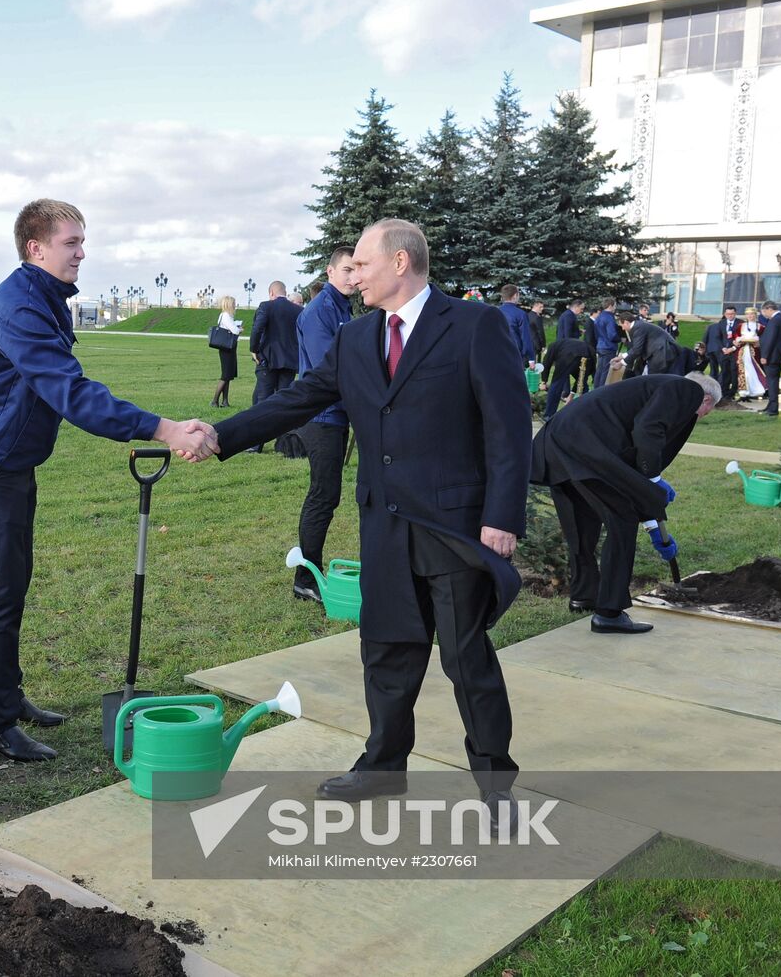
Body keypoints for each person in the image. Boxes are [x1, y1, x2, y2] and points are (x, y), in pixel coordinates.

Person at [184, 219, 531, 829]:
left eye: (362, 265)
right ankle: (382, 766)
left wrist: (503, 516)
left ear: (400, 263)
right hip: (384, 523)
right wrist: (220, 435)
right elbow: (297, 400)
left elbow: (508, 427)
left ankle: (496, 782)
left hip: (454, 524)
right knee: (387, 651)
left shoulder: (476, 326)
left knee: (466, 657)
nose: (353, 275)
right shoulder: (356, 338)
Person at [0, 198, 209, 762]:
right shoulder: (22, 309)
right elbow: (71, 393)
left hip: (8, 461)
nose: (82, 253)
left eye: (82, 242)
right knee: (1, 586)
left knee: (14, 579)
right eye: (72, 243)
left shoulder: (43, 298)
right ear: (35, 248)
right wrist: (163, 428)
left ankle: (7, 696)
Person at [531, 373, 720, 634]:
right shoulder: (687, 390)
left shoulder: (651, 390)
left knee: (582, 521)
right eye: (707, 412)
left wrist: (654, 525)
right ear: (707, 399)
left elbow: (632, 471)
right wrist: (653, 480)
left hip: (558, 443)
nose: (700, 417)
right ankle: (608, 613)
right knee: (621, 520)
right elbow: (648, 430)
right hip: (585, 446)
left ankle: (584, 595)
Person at [292, 246, 356, 604]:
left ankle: (308, 573)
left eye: (357, 269)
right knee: (323, 495)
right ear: (330, 272)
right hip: (322, 416)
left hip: (337, 414)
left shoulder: (342, 307)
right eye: (346, 269)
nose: (353, 276)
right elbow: (326, 371)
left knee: (327, 495)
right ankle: (306, 577)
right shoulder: (320, 311)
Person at [247, 280, 302, 452]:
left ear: (271, 292)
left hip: (268, 360)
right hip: (290, 361)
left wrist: (254, 350)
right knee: (284, 401)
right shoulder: (298, 310)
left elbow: (257, 330)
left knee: (263, 401)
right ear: (285, 293)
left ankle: (256, 444)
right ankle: (283, 444)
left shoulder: (266, 306)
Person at [542, 332, 594, 419]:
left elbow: (546, 364)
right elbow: (581, 379)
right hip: (588, 352)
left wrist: (544, 382)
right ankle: (586, 411)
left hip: (569, 355)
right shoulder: (562, 344)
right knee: (582, 383)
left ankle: (549, 414)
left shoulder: (552, 347)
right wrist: (572, 395)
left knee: (557, 383)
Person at [618, 310, 681, 377]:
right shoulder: (639, 325)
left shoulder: (638, 328)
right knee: (647, 375)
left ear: (626, 322)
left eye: (622, 325)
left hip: (662, 352)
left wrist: (621, 363)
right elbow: (636, 347)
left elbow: (637, 350)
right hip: (661, 352)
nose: (622, 329)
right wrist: (622, 356)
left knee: (654, 379)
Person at [759, 300, 781, 417]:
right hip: (778, 355)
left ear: (769, 309)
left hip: (772, 356)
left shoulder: (775, 320)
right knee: (773, 381)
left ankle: (773, 408)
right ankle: (771, 405)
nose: (763, 314)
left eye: (763, 312)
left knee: (772, 382)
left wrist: (764, 356)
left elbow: (770, 339)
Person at [210, 295, 243, 408]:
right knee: (225, 375)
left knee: (228, 375)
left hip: (229, 347)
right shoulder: (226, 315)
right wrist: (239, 329)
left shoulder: (226, 315)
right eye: (233, 303)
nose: (235, 305)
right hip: (226, 348)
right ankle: (214, 400)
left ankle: (225, 401)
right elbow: (234, 330)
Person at [733, 307, 769, 400]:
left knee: (755, 371)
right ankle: (743, 392)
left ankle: (755, 391)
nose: (750, 316)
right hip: (742, 352)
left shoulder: (760, 326)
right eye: (748, 314)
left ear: (755, 315)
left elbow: (764, 338)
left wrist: (758, 341)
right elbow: (735, 335)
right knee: (743, 372)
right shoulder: (741, 326)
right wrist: (738, 340)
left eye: (752, 314)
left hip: (755, 353)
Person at [499, 284, 535, 368]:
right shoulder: (521, 314)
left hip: (498, 353)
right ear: (515, 295)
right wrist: (531, 358)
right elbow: (526, 338)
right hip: (515, 355)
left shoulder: (495, 312)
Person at [593, 297, 620, 389]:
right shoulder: (609, 317)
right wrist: (620, 339)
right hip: (609, 347)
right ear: (610, 306)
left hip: (600, 345)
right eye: (614, 306)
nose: (615, 308)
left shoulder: (599, 317)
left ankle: (596, 390)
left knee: (599, 370)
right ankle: (600, 391)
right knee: (606, 371)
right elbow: (612, 335)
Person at [715, 306, 740, 400]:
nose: (730, 315)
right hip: (724, 352)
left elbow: (741, 338)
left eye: (732, 314)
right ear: (725, 314)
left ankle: (732, 392)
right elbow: (717, 337)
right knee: (725, 372)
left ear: (735, 313)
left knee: (734, 372)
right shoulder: (721, 323)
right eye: (728, 314)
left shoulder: (740, 323)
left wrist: (733, 348)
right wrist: (723, 348)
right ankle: (724, 392)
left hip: (735, 352)